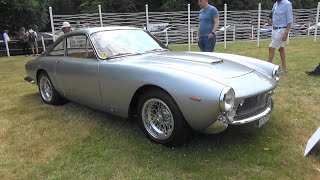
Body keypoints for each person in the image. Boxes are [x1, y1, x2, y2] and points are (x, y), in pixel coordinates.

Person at [268, 0, 293, 73]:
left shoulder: (287, 4)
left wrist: (286, 33)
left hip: (282, 29)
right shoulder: (275, 4)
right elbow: (273, 16)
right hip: (274, 29)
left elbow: (290, 20)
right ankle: (284, 68)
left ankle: (268, 68)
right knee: (281, 48)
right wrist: (270, 21)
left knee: (271, 48)